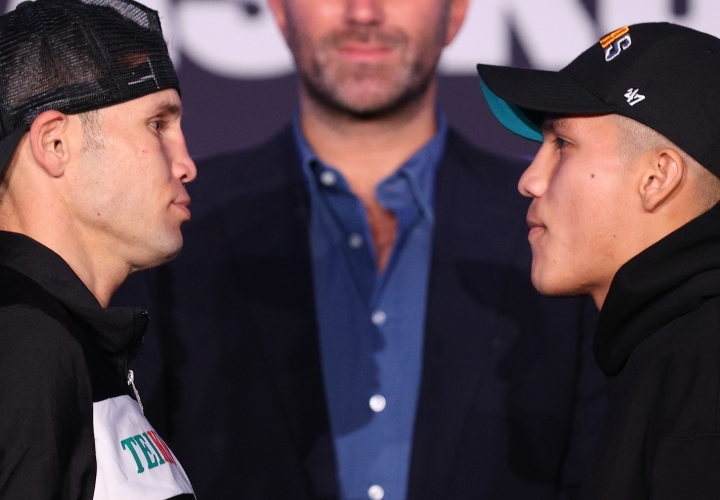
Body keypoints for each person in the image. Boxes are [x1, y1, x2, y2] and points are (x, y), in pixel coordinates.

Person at [118, 0, 605, 498]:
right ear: (280, 12)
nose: (364, 12)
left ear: (456, 13)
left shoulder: (563, 225)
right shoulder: (171, 229)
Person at [476, 21, 720, 499]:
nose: (530, 180)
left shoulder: (703, 371)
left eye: (562, 145)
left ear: (657, 178)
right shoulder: (665, 355)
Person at [0, 0, 198, 498]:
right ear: (55, 145)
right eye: (158, 124)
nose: (186, 164)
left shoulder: (58, 335)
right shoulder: (24, 343)